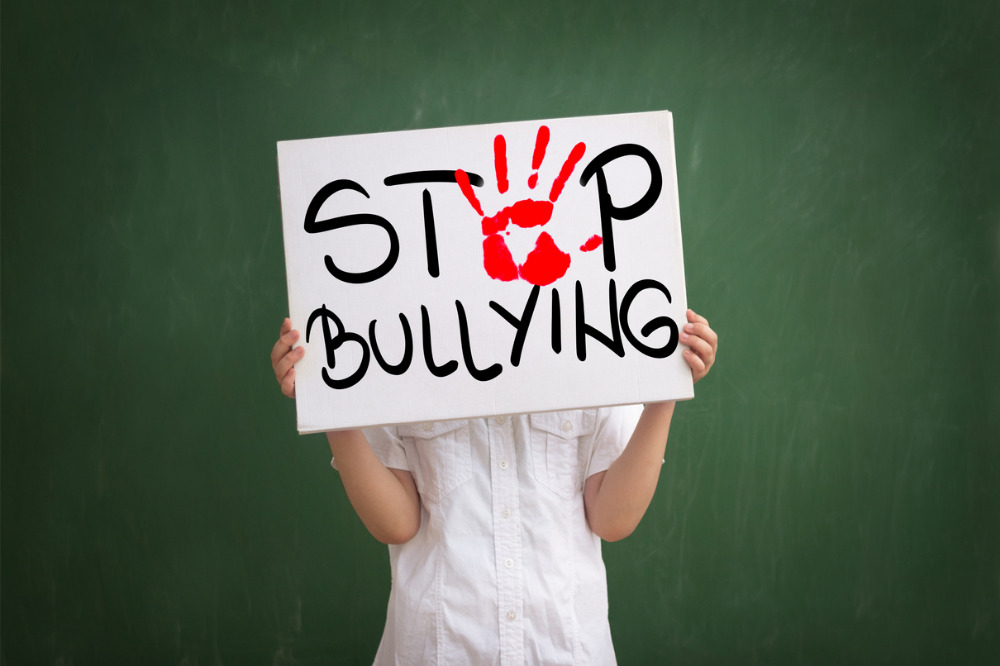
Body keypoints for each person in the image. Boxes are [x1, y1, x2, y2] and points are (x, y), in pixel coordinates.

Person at [270, 309, 718, 664]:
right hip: (439, 650)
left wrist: (664, 393)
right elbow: (397, 522)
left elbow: (612, 518)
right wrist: (328, 405)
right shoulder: (392, 335)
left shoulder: (595, 328)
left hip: (565, 649)